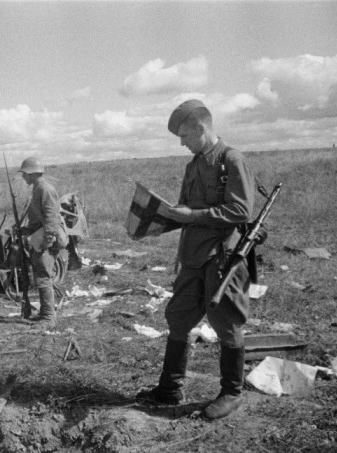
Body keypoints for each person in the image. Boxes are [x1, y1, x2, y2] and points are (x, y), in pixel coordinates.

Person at [136, 99, 257, 420]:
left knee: (226, 322)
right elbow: (186, 209)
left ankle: (231, 393)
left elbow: (241, 210)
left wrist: (193, 215)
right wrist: (166, 216)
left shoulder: (231, 160)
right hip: (192, 256)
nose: (181, 143)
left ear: (201, 129)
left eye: (185, 136)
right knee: (178, 317)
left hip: (222, 257)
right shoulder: (193, 165)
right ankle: (169, 388)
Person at [18, 157, 68, 327]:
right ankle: (45, 313)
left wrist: (47, 240)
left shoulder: (44, 189)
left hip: (49, 239)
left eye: (25, 173)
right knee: (41, 275)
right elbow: (40, 219)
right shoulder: (38, 188)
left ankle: (48, 318)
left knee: (43, 276)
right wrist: (26, 230)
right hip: (44, 236)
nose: (23, 177)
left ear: (32, 173)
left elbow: (51, 217)